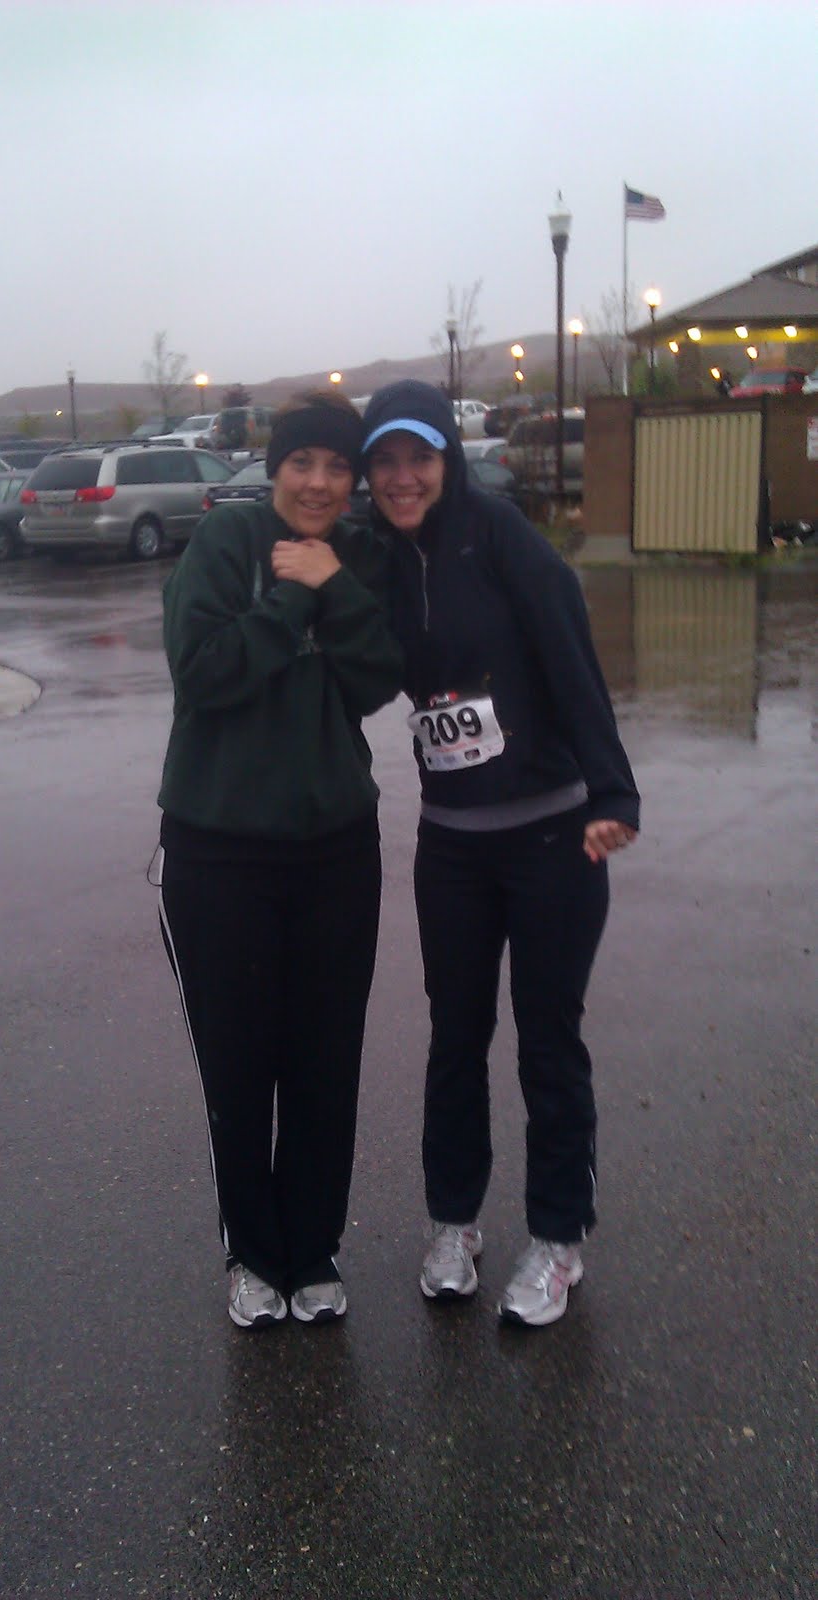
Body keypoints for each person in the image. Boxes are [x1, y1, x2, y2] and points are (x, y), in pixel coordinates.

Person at [361, 379, 640, 1327]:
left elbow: (570, 654)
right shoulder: (379, 558)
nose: (403, 477)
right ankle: (454, 1223)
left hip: (552, 833)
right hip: (452, 845)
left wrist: (611, 791)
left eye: (420, 456)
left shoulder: (500, 536)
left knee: (547, 1042)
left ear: (448, 458)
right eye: (385, 461)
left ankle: (558, 1240)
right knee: (455, 1038)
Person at [157, 390, 402, 1330]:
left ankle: (312, 1249)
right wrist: (293, 593)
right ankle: (253, 1256)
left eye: (338, 467)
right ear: (274, 466)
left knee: (323, 1061)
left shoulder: (356, 556)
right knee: (238, 1063)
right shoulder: (227, 544)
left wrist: (333, 584)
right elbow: (204, 671)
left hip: (335, 850)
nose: (319, 482)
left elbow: (376, 679)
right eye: (302, 462)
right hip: (219, 852)